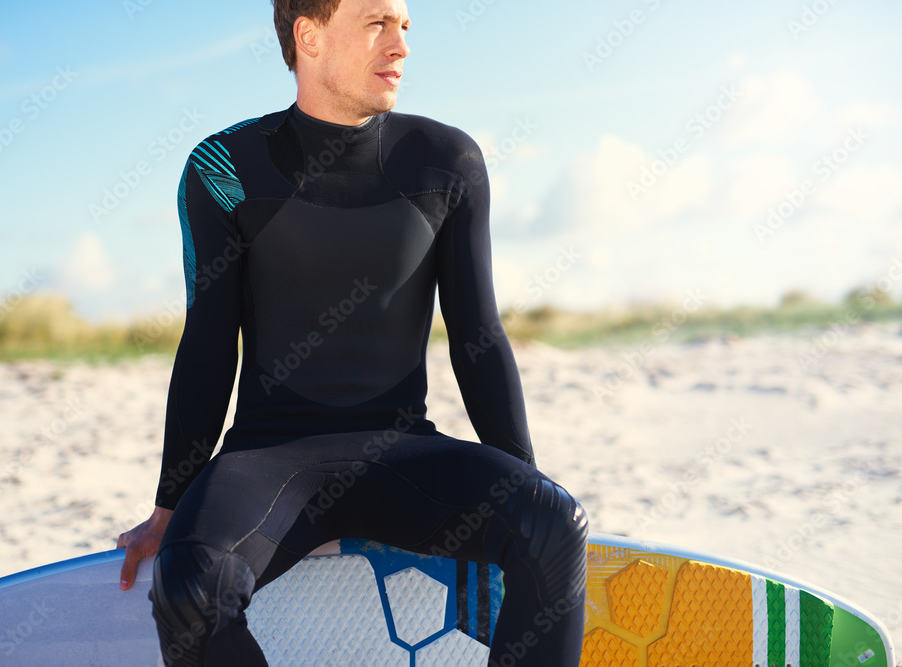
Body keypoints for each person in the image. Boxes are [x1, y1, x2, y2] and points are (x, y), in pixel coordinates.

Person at [117, 0, 588, 664]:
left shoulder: (445, 161)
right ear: (309, 36)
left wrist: (523, 487)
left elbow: (478, 333)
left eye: (405, 26)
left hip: (402, 452)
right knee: (192, 585)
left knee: (553, 525)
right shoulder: (223, 168)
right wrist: (171, 502)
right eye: (376, 23)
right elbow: (207, 344)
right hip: (268, 459)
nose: (399, 45)